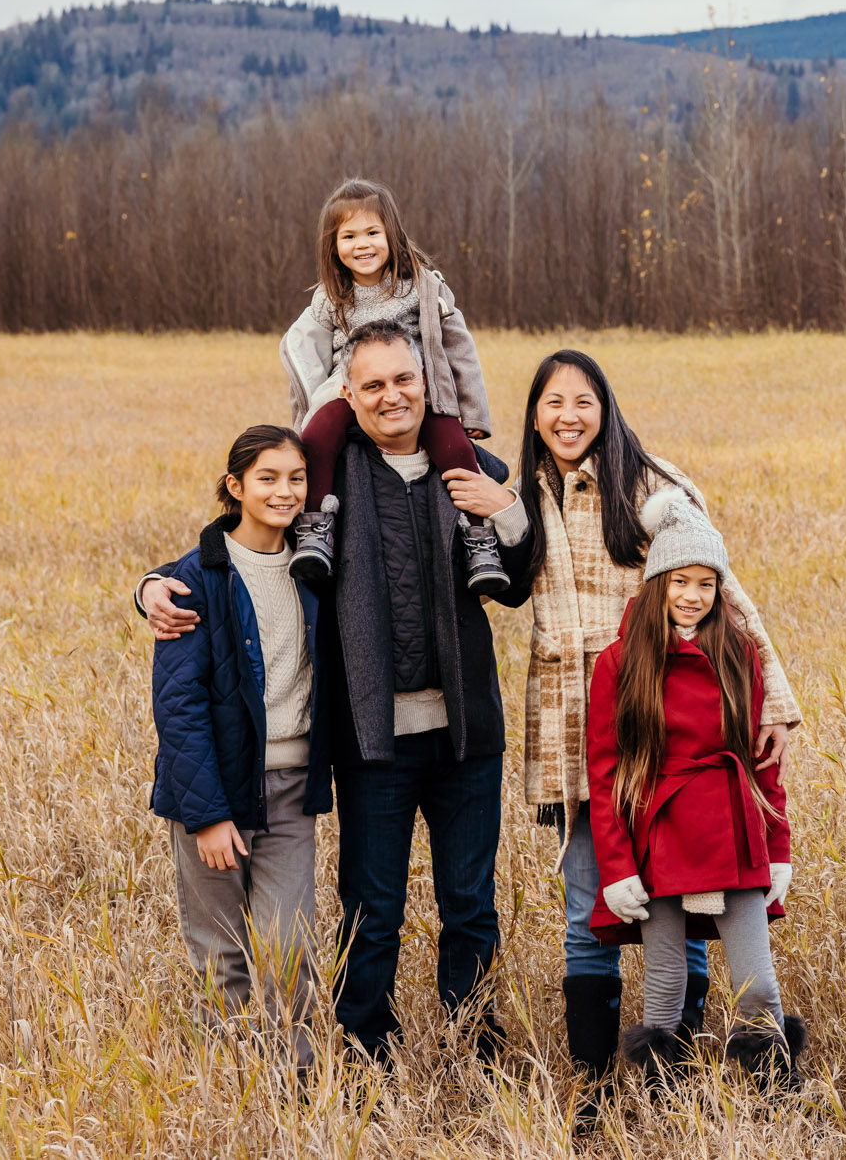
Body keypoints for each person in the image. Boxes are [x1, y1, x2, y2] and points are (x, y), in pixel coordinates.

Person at [141, 322, 529, 1068]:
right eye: (373, 384)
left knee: (472, 908)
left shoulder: (468, 470)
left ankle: (475, 1049)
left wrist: (504, 506)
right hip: (369, 740)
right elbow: (236, 549)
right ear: (348, 395)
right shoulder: (327, 478)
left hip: (467, 736)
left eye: (404, 380)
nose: (391, 396)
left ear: (427, 384)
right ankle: (362, 1053)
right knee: (372, 911)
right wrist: (152, 585)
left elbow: (521, 573)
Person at [494, 350, 801, 1119]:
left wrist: (774, 703)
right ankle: (598, 1081)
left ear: (606, 407)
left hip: (664, 719)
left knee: (686, 899)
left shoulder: (652, 485)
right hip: (576, 725)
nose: (568, 415)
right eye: (553, 401)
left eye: (584, 401)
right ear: (534, 413)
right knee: (589, 904)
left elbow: (723, 589)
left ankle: (682, 1067)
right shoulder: (521, 496)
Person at [588, 494, 804, 1093]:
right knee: (664, 986)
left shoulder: (738, 654)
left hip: (734, 831)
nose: (692, 594)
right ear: (657, 582)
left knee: (757, 982)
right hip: (658, 835)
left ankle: (775, 1099)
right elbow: (604, 773)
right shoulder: (618, 663)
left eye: (706, 583)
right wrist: (617, 867)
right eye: (680, 580)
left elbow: (764, 764)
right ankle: (663, 1104)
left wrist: (778, 845)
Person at [146, 424, 328, 1077]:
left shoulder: (315, 566)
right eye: (268, 477)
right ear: (236, 486)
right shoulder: (196, 577)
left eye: (296, 477)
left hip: (289, 788)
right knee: (220, 951)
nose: (285, 490)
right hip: (214, 791)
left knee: (288, 945)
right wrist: (208, 815)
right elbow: (179, 707)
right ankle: (236, 1086)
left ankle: (297, 1082)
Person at [278, 178, 505, 597]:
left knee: (455, 448)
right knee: (318, 436)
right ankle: (315, 529)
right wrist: (306, 412)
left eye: (372, 232)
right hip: (353, 391)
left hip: (419, 391)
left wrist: (472, 414)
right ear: (333, 246)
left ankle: (479, 540)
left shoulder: (421, 286)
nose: (361, 245)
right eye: (348, 236)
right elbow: (308, 354)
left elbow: (460, 348)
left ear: (391, 235)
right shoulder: (331, 299)